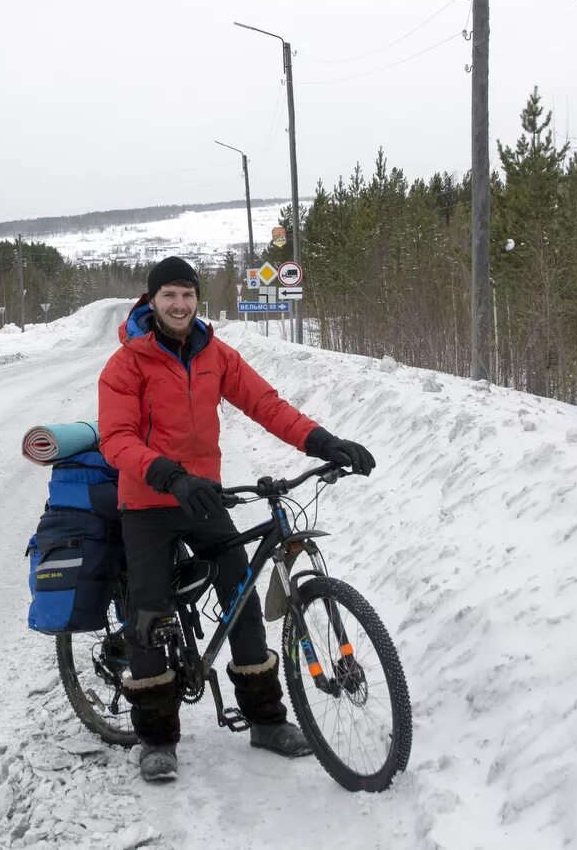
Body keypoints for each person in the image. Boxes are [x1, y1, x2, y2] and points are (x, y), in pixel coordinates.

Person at [97, 255, 375, 782]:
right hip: (149, 503)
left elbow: (266, 404)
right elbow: (117, 438)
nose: (179, 305)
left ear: (197, 300)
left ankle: (266, 720)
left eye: (187, 295)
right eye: (168, 296)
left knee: (242, 600)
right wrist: (168, 475)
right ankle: (157, 738)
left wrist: (324, 442)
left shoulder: (215, 354)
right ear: (151, 301)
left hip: (204, 500)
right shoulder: (126, 365)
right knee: (150, 618)